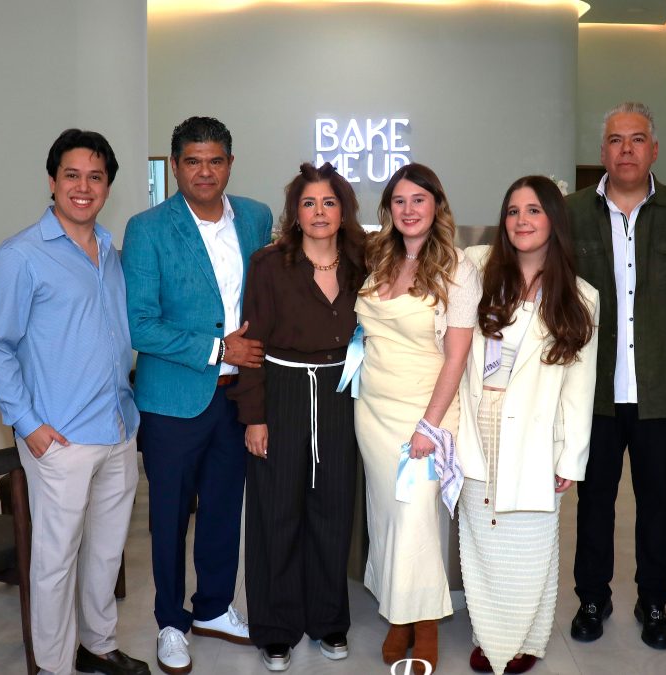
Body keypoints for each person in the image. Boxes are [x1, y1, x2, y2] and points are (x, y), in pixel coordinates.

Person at [0, 129, 147, 675]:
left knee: (106, 552)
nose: (83, 187)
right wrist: (28, 425)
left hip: (118, 427)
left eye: (95, 177)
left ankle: (97, 646)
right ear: (51, 182)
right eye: (72, 175)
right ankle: (54, 667)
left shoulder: (112, 256)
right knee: (55, 561)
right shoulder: (20, 256)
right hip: (60, 438)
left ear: (108, 187)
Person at [121, 116, 273, 675]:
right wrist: (217, 349)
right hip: (173, 400)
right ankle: (170, 620)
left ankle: (213, 607)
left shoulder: (256, 218)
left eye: (214, 161)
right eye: (192, 161)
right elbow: (139, 324)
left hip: (238, 399)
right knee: (168, 516)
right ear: (175, 166)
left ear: (230, 164)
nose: (204, 172)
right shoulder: (147, 228)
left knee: (224, 509)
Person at [564, 101, 666, 649]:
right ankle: (591, 599)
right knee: (593, 504)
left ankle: (654, 603)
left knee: (657, 508)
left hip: (661, 392)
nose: (626, 149)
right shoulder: (570, 214)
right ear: (602, 152)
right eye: (616, 140)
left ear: (654, 149)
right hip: (594, 392)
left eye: (637, 139)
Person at [457, 176, 598, 675]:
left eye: (534, 210)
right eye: (513, 211)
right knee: (482, 537)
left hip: (537, 437)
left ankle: (524, 637)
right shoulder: (477, 270)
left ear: (554, 220)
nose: (521, 220)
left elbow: (580, 389)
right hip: (478, 425)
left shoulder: (580, 297)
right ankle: (489, 634)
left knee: (530, 541)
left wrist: (570, 459)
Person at [229, 162, 367, 671]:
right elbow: (251, 344)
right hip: (282, 393)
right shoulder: (269, 265)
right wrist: (255, 416)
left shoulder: (363, 263)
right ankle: (276, 628)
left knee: (333, 511)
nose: (319, 212)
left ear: (343, 210)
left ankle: (329, 620)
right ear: (295, 212)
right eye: (309, 203)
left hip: (341, 395)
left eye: (329, 202)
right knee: (276, 513)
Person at [354, 162, 480, 673]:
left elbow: (457, 356)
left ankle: (423, 621)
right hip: (373, 410)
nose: (408, 210)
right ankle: (398, 612)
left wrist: (429, 425)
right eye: (399, 201)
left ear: (437, 205)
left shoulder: (457, 268)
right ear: (389, 209)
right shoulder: (379, 257)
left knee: (417, 518)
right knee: (386, 516)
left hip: (426, 413)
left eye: (418, 200)